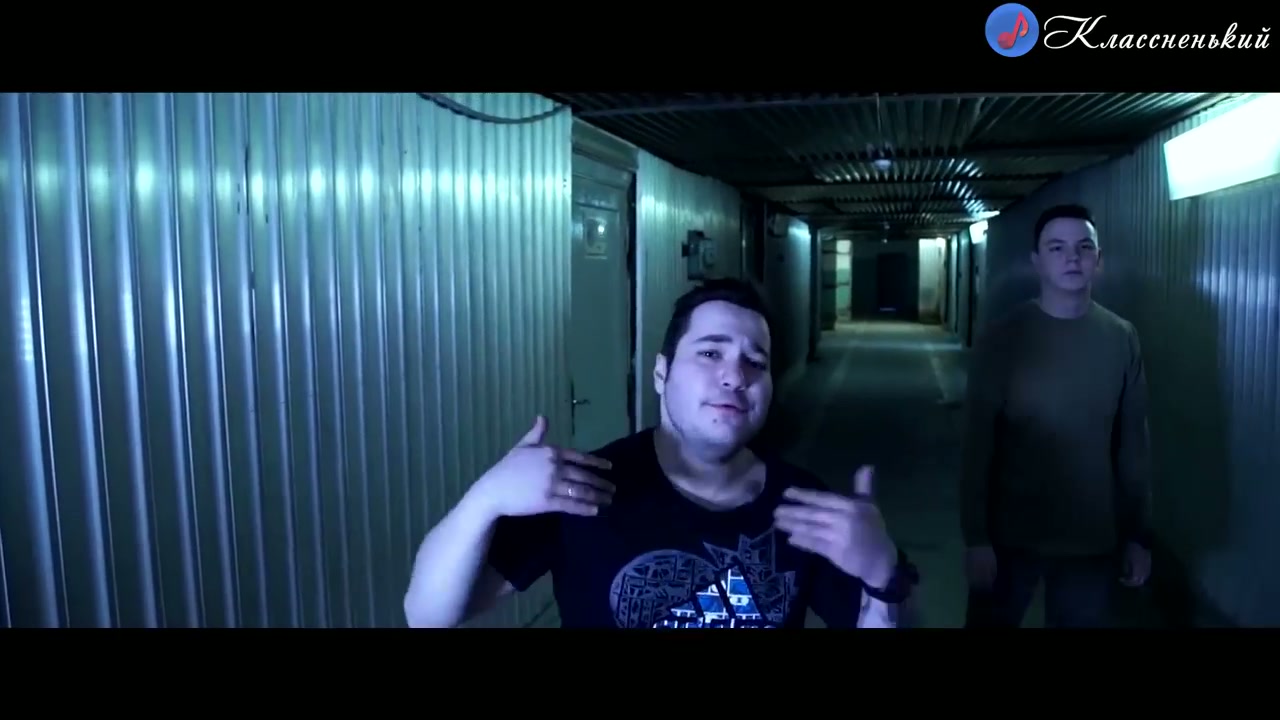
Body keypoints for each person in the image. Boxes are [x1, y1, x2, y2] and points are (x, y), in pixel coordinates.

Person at [404, 278, 918, 629]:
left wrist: (884, 574)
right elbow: (426, 615)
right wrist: (485, 499)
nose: (734, 376)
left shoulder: (804, 506)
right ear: (660, 373)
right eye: (710, 352)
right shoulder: (583, 487)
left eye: (755, 362)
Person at [960, 203, 1153, 629]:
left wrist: (1138, 535)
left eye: (1084, 247)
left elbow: (1133, 447)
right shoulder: (1002, 338)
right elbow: (978, 444)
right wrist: (976, 537)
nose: (1072, 258)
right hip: (1010, 536)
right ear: (1036, 261)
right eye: (1057, 247)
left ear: (1098, 260)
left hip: (1090, 539)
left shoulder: (1122, 337)